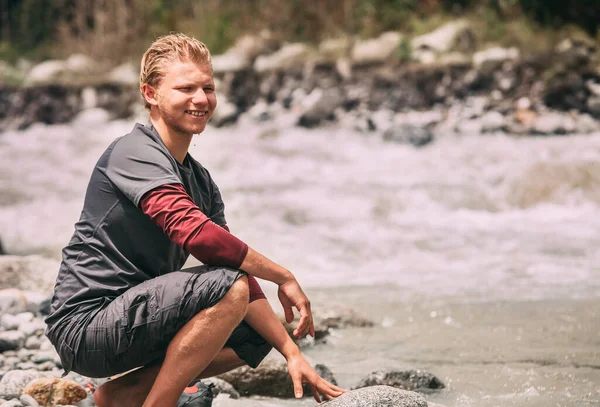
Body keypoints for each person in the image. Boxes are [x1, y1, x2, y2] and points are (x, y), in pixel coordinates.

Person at [44, 33, 345, 407]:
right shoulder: (133, 152)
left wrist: (290, 352)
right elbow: (196, 235)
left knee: (255, 333)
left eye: (208, 88)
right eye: (186, 88)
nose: (201, 99)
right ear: (151, 94)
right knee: (228, 286)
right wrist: (283, 275)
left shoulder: (200, 182)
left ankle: (120, 396)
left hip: (131, 322)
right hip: (86, 326)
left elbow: (231, 265)